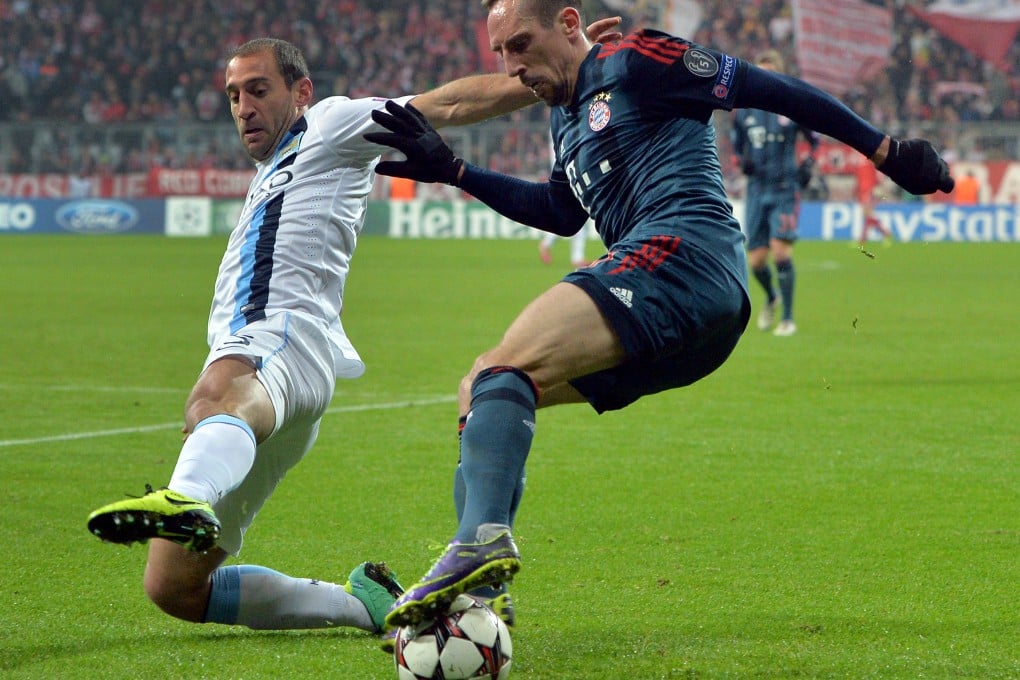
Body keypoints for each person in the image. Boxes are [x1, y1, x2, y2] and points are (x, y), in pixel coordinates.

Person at [363, 0, 954, 630]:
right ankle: (479, 596)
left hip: (684, 256)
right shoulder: (564, 120)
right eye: (501, 53)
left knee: (504, 366)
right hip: (693, 321)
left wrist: (883, 149)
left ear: (568, 24)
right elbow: (563, 212)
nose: (512, 67)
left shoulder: (637, 58)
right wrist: (456, 172)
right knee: (481, 384)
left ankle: (480, 542)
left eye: (521, 44)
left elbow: (767, 87)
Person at [83, 26, 621, 637]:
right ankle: (361, 603)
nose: (243, 107)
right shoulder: (276, 168)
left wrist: (565, 72)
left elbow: (445, 104)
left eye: (258, 89)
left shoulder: (330, 124)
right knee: (174, 587)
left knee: (211, 399)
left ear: (302, 91)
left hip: (279, 341)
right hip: (291, 380)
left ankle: (187, 497)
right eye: (233, 95)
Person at [731, 49, 819, 337]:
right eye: (760, 72)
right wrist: (741, 161)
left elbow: (814, 140)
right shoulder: (744, 111)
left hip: (785, 188)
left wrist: (808, 163)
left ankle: (789, 318)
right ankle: (771, 297)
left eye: (770, 73)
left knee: (781, 254)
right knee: (755, 262)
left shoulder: (791, 107)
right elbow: (736, 145)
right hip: (756, 190)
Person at [855, 159, 893, 247]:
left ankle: (885, 234)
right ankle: (864, 239)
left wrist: (879, 186)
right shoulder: (859, 160)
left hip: (869, 188)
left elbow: (878, 172)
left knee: (867, 212)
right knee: (867, 214)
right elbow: (859, 176)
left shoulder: (870, 158)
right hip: (862, 189)